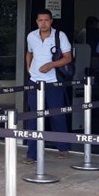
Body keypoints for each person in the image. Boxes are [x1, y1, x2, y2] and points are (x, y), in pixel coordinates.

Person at [23, 9, 72, 162]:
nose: (43, 23)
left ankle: (63, 147)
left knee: (57, 116)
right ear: (37, 22)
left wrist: (51, 64)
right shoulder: (31, 36)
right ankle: (32, 155)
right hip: (35, 82)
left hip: (53, 83)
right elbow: (29, 52)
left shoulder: (60, 36)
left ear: (51, 21)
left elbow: (68, 58)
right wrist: (29, 69)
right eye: (40, 20)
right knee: (33, 118)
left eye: (46, 20)